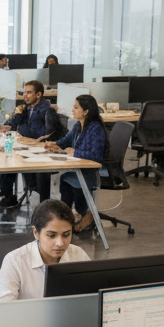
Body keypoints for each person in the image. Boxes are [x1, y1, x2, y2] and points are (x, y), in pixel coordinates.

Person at [0, 199, 90, 301]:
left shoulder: (78, 255)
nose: (60, 243)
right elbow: (3, 311)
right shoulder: (15, 262)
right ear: (36, 232)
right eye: (51, 236)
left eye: (66, 235)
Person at [0, 80, 61, 208]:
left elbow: (46, 135)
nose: (25, 95)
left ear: (38, 95)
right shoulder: (27, 108)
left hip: (41, 152)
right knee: (8, 156)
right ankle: (8, 196)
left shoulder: (47, 110)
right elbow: (9, 126)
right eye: (24, 92)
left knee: (23, 161)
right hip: (27, 147)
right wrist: (17, 114)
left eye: (29, 93)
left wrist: (21, 129)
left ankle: (43, 203)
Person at [46, 94, 107, 233]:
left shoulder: (95, 128)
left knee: (73, 180)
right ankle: (65, 218)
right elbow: (63, 143)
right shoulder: (78, 126)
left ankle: (85, 213)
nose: (72, 110)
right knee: (66, 178)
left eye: (76, 107)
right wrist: (52, 145)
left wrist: (74, 153)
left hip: (93, 170)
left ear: (86, 111)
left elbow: (96, 156)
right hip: (80, 168)